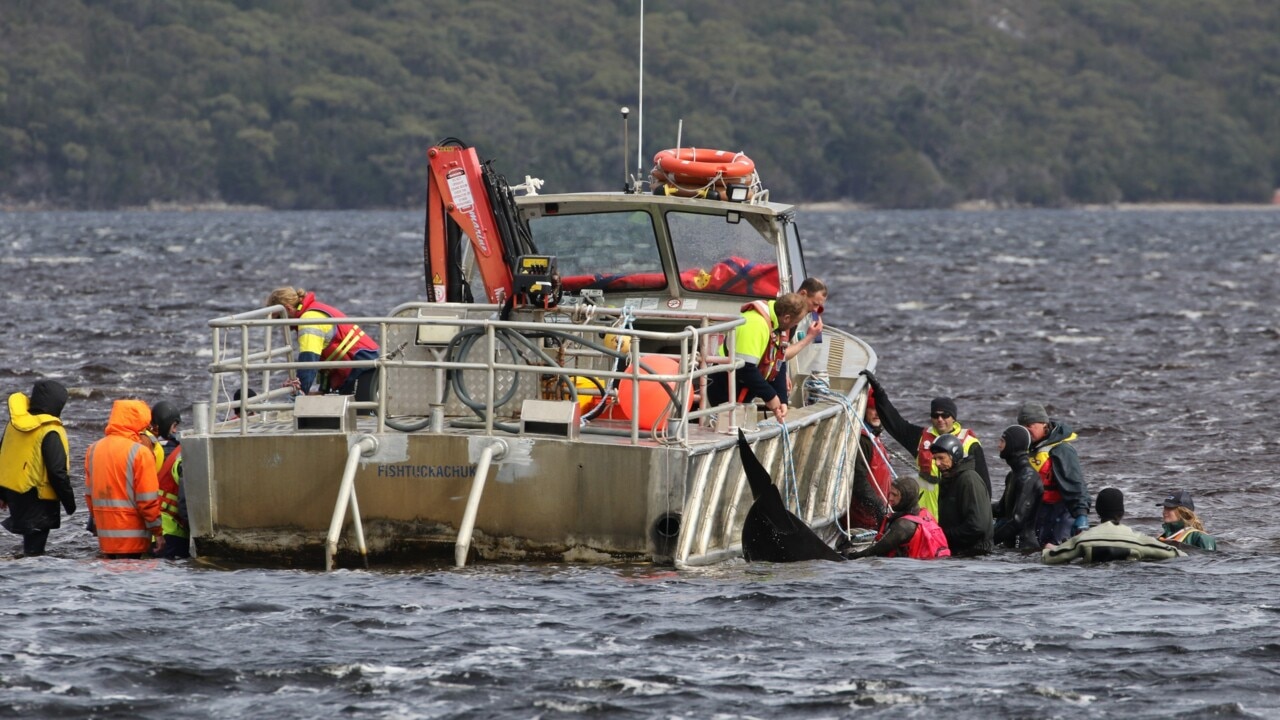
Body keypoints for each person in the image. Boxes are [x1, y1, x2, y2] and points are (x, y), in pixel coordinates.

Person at [858, 369, 990, 517]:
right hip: (926, 515)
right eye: (935, 415)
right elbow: (895, 423)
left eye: (945, 415)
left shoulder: (970, 443)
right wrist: (879, 393)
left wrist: (985, 515)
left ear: (954, 418)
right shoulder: (920, 437)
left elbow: (984, 484)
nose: (940, 419)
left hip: (955, 514)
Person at [264, 287, 380, 404]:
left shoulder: (309, 321)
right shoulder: (315, 310)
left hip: (363, 369)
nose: (280, 324)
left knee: (360, 415)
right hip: (364, 365)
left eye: (278, 318)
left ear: (288, 309)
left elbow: (309, 361)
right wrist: (320, 390)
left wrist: (299, 392)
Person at [706, 292, 808, 422]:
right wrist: (770, 397)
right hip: (725, 390)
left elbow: (778, 362)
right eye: (796, 322)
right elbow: (745, 368)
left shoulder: (776, 324)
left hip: (744, 393)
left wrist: (782, 399)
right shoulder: (754, 324)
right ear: (787, 318)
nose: (794, 326)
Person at [0, 380, 76, 556]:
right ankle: (30, 579)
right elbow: (57, 472)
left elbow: (4, 458)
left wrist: (2, 494)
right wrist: (69, 503)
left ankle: (22, 576)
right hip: (39, 498)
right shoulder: (50, 430)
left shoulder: (14, 425)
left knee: (29, 548)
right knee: (35, 553)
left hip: (15, 495)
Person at [85, 399, 164, 559]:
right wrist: (158, 532)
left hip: (105, 537)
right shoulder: (140, 453)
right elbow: (147, 501)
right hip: (133, 538)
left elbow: (89, 496)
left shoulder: (93, 449)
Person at [1042, 488, 1183, 564]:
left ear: (1098, 511)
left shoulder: (1083, 539)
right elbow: (1176, 554)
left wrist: (1050, 549)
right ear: (1121, 512)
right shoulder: (1137, 540)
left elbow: (1050, 559)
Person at [1018, 401, 1089, 546]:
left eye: (1029, 426)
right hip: (1038, 512)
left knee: (1056, 552)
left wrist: (1081, 515)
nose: (1026, 431)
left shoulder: (1062, 450)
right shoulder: (1027, 449)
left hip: (1061, 513)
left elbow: (1075, 484)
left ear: (1044, 424)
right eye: (1022, 427)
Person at [842, 474, 950, 559]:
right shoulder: (925, 514)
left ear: (906, 498)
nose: (890, 498)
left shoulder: (903, 526)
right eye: (890, 493)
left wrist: (851, 556)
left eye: (895, 495)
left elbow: (875, 551)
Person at [931, 433, 993, 556]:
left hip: (976, 554)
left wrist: (942, 534)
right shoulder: (949, 480)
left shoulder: (969, 479)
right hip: (959, 551)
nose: (937, 463)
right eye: (935, 459)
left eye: (941, 458)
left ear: (954, 456)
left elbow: (977, 526)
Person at [842, 388, 894, 531]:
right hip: (864, 521)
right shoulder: (862, 440)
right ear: (864, 410)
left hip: (877, 517)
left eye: (879, 409)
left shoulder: (873, 437)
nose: (877, 413)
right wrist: (879, 509)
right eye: (872, 408)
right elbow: (859, 482)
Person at [991, 424, 1042, 551]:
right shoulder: (1012, 475)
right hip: (1010, 547)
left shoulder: (1028, 477)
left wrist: (988, 541)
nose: (999, 446)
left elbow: (1017, 521)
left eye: (1002, 442)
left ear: (1014, 445)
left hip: (1025, 549)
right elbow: (1001, 509)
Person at [150, 401, 190, 559]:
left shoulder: (142, 450)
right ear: (172, 425)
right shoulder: (181, 455)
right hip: (172, 535)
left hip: (142, 533)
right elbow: (184, 502)